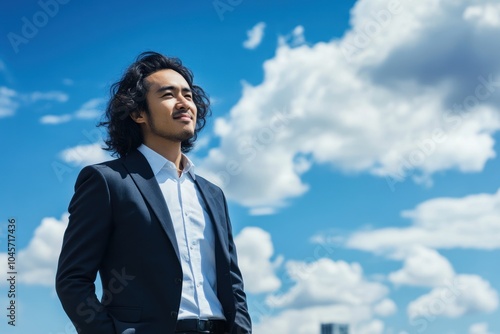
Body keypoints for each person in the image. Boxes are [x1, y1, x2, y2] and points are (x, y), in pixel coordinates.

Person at [56, 51, 252, 334]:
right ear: (137, 113)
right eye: (168, 95)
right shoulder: (108, 181)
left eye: (188, 94)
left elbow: (232, 282)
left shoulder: (213, 194)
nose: (184, 103)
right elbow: (72, 279)